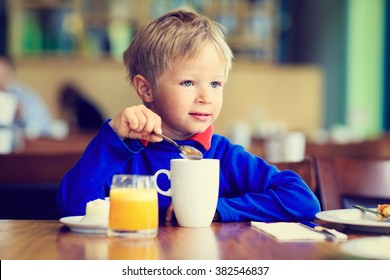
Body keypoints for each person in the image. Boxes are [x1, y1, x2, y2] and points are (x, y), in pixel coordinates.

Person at [56, 9, 320, 222]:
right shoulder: (125, 154)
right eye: (188, 83)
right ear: (146, 89)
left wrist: (219, 209)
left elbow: (302, 200)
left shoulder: (222, 155)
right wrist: (112, 139)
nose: (206, 97)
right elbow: (72, 208)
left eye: (216, 84)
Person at [0, 56, 53, 137]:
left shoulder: (26, 97)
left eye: (3, 74)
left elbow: (45, 126)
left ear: (10, 74)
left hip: (21, 147)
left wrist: (21, 115)